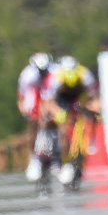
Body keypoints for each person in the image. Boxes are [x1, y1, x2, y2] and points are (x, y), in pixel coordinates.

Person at [45, 55, 99, 185]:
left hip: (81, 95)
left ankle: (85, 148)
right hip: (62, 97)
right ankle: (65, 161)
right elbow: (49, 102)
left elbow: (94, 97)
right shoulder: (55, 78)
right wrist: (57, 114)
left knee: (85, 119)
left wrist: (94, 109)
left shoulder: (85, 75)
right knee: (63, 129)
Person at [17, 52, 56, 181]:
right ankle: (34, 158)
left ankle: (57, 157)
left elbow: (53, 97)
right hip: (34, 95)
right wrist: (24, 111)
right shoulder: (27, 75)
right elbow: (22, 96)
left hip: (50, 96)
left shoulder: (54, 72)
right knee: (33, 125)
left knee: (54, 123)